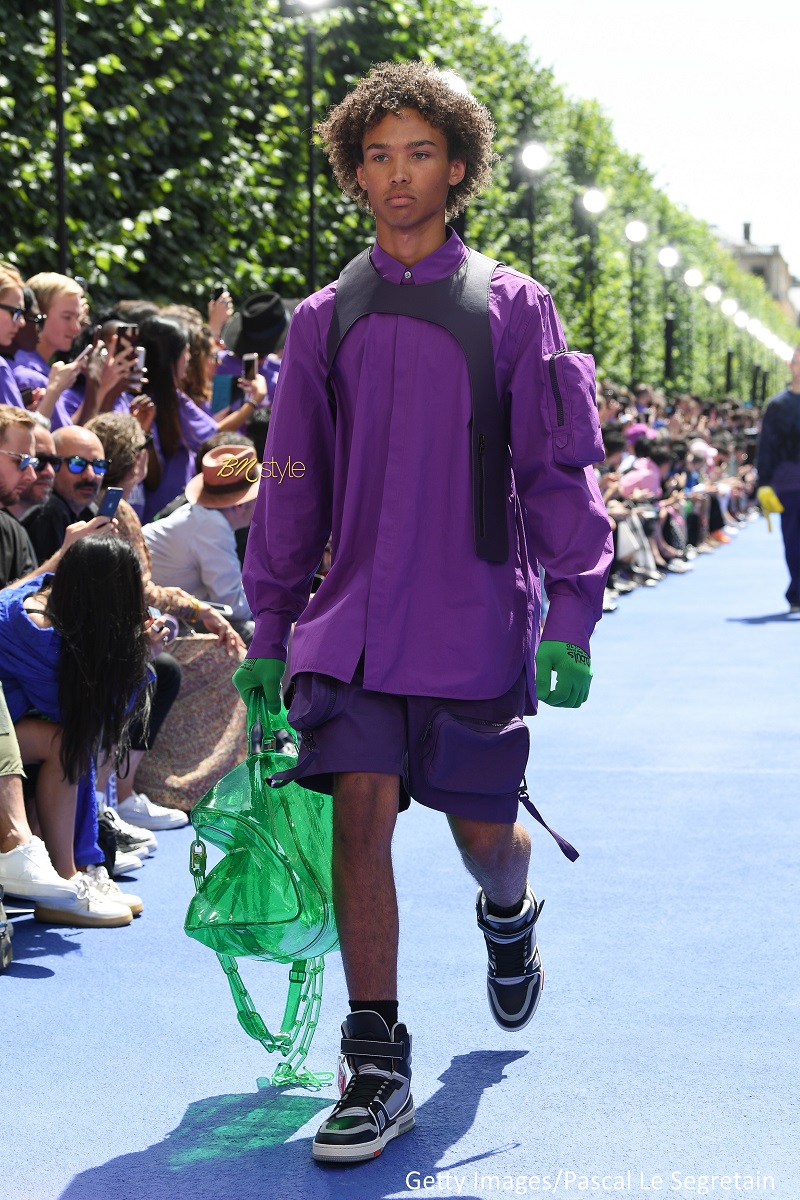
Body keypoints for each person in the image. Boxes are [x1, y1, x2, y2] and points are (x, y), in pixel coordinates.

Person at [234, 61, 612, 1164]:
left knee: (481, 837)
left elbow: (556, 470)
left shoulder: (512, 306)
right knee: (359, 807)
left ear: (456, 167)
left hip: (470, 624)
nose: (396, 176)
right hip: (349, 628)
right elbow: (292, 479)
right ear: (353, 172)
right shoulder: (320, 319)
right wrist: (269, 629)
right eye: (376, 156)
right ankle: (376, 1054)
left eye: (419, 154)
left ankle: (508, 912)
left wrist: (572, 613)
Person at [0, 536, 160, 926]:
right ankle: (67, 878)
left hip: (12, 722)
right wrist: (137, 650)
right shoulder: (37, 633)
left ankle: (71, 874)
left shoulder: (49, 602)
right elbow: (93, 714)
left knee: (68, 741)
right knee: (68, 744)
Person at [143, 445, 258, 639]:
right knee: (263, 634)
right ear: (240, 505)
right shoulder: (213, 526)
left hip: (165, 610)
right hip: (155, 616)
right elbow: (234, 606)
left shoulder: (205, 518)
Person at [137, 315, 218, 522]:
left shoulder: (174, 400)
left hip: (172, 516)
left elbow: (210, 432)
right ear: (171, 359)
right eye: (186, 351)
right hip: (161, 519)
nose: (190, 357)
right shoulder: (148, 405)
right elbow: (212, 437)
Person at [21, 424, 109, 562]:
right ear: (54, 464)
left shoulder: (90, 511)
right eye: (77, 464)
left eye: (99, 466)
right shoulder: (49, 511)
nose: (90, 475)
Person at [756, 346, 800, 611]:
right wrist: (763, 483)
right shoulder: (777, 405)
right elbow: (767, 446)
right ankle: (796, 592)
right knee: (793, 538)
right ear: (790, 365)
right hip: (789, 481)